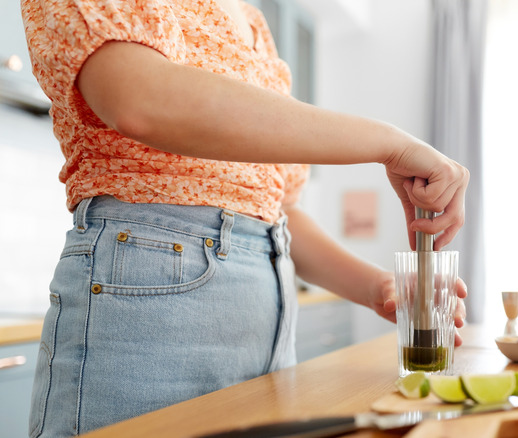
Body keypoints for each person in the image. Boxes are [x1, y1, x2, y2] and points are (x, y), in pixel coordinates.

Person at [21, 0, 469, 436]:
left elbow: (275, 209)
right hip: (146, 313)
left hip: (268, 326)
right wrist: (387, 142)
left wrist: (377, 287)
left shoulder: (253, 23)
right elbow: (138, 99)